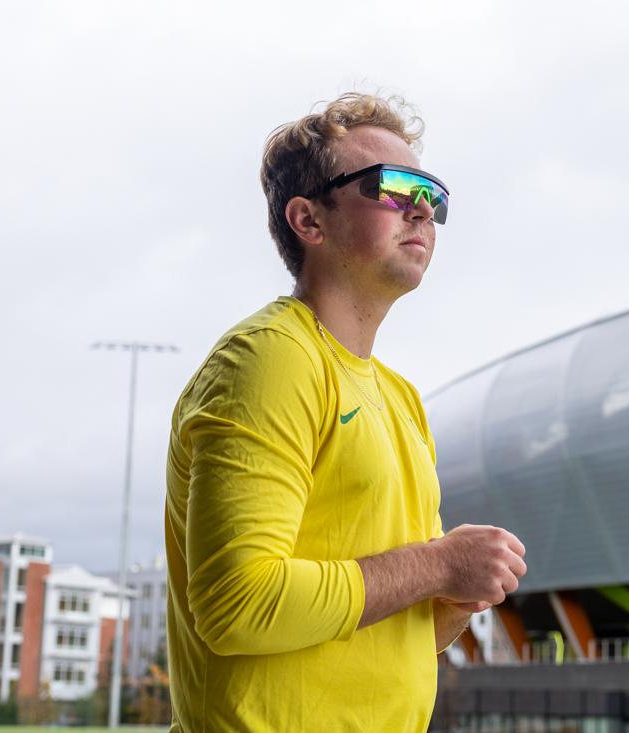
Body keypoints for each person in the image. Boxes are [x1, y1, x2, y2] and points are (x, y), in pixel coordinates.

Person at [164, 92, 527, 732]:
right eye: (392, 187)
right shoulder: (273, 359)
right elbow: (238, 607)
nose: (421, 209)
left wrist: (457, 596)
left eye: (432, 195)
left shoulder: (401, 398)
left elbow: (404, 629)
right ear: (309, 221)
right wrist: (440, 562)